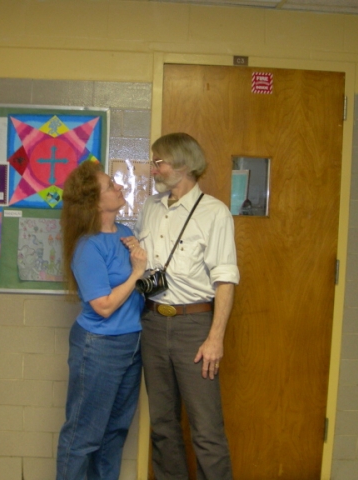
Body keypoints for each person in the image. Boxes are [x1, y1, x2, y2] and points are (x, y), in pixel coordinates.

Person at [123, 132, 240, 480]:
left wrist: (215, 338)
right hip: (153, 324)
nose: (153, 168)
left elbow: (225, 280)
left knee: (206, 432)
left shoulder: (214, 213)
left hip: (195, 328)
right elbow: (148, 265)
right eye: (153, 161)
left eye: (159, 162)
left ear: (184, 164)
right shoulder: (150, 207)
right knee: (162, 426)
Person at [56, 160, 147, 480]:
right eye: (111, 185)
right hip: (98, 348)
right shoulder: (87, 246)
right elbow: (104, 306)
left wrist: (143, 264)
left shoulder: (125, 234)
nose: (120, 187)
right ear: (95, 201)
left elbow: (138, 289)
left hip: (131, 345)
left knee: (114, 434)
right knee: (83, 436)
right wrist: (137, 272)